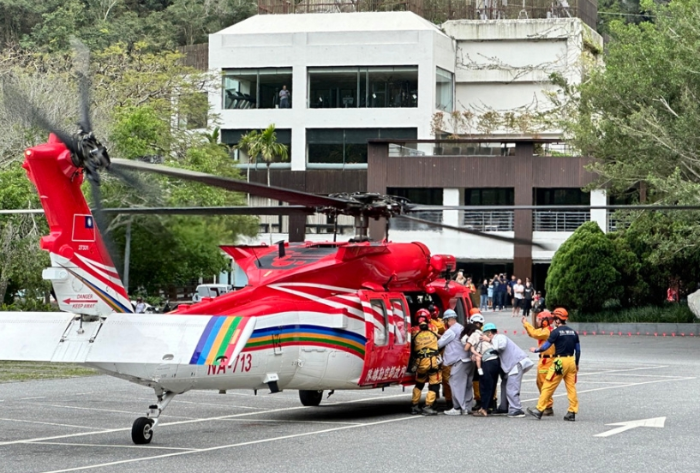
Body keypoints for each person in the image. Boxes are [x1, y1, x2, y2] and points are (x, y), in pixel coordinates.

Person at [527, 308, 580, 422]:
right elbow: (578, 350)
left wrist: (536, 350)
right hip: (571, 361)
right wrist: (576, 364)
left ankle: (539, 409)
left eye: (554, 318)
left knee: (548, 384)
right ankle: (572, 411)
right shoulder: (573, 332)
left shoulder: (555, 332)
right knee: (571, 388)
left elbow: (546, 346)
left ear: (557, 320)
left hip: (559, 361)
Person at [482, 323, 534, 417]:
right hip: (510, 367)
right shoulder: (495, 340)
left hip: (516, 363)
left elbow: (502, 346)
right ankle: (504, 407)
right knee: (504, 386)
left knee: (512, 387)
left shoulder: (499, 337)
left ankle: (516, 409)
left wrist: (489, 340)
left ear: (489, 333)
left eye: (485, 334)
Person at [438, 309, 474, 415]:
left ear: (447, 320)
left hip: (459, 361)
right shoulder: (461, 328)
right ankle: (467, 407)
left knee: (456, 384)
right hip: (469, 360)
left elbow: (439, 344)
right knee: (467, 384)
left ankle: (457, 408)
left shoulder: (451, 330)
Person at [522, 311, 555, 416]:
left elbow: (534, 333)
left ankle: (547, 406)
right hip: (544, 360)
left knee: (544, 383)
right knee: (540, 382)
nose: (538, 321)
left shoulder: (546, 332)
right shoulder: (546, 330)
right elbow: (534, 332)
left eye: (540, 319)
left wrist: (526, 324)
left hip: (547, 361)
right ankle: (546, 405)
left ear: (545, 321)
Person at [410, 311, 441, 415]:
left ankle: (414, 405)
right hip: (432, 362)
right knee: (434, 384)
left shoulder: (413, 331)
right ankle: (428, 406)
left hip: (420, 362)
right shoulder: (434, 328)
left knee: (419, 384)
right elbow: (440, 327)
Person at [472, 322, 501, 417]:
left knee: (484, 386)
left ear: (488, 333)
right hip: (496, 363)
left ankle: (483, 408)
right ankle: (489, 407)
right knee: (492, 385)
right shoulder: (497, 339)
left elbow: (476, 355)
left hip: (487, 363)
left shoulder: (482, 340)